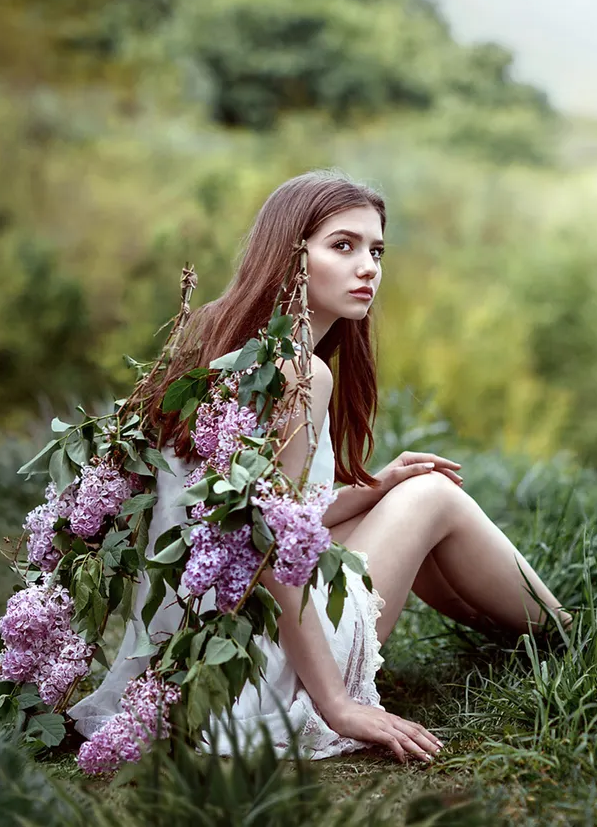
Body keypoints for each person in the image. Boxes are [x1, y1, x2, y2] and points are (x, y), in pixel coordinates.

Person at [68, 170, 571, 765]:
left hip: (192, 656)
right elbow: (273, 548)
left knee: (405, 489)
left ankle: (526, 641)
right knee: (433, 494)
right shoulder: (298, 371)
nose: (369, 268)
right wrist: (338, 705)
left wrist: (379, 484)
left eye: (376, 250)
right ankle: (569, 636)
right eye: (343, 245)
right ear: (292, 256)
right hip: (260, 667)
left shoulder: (210, 333)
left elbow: (263, 521)